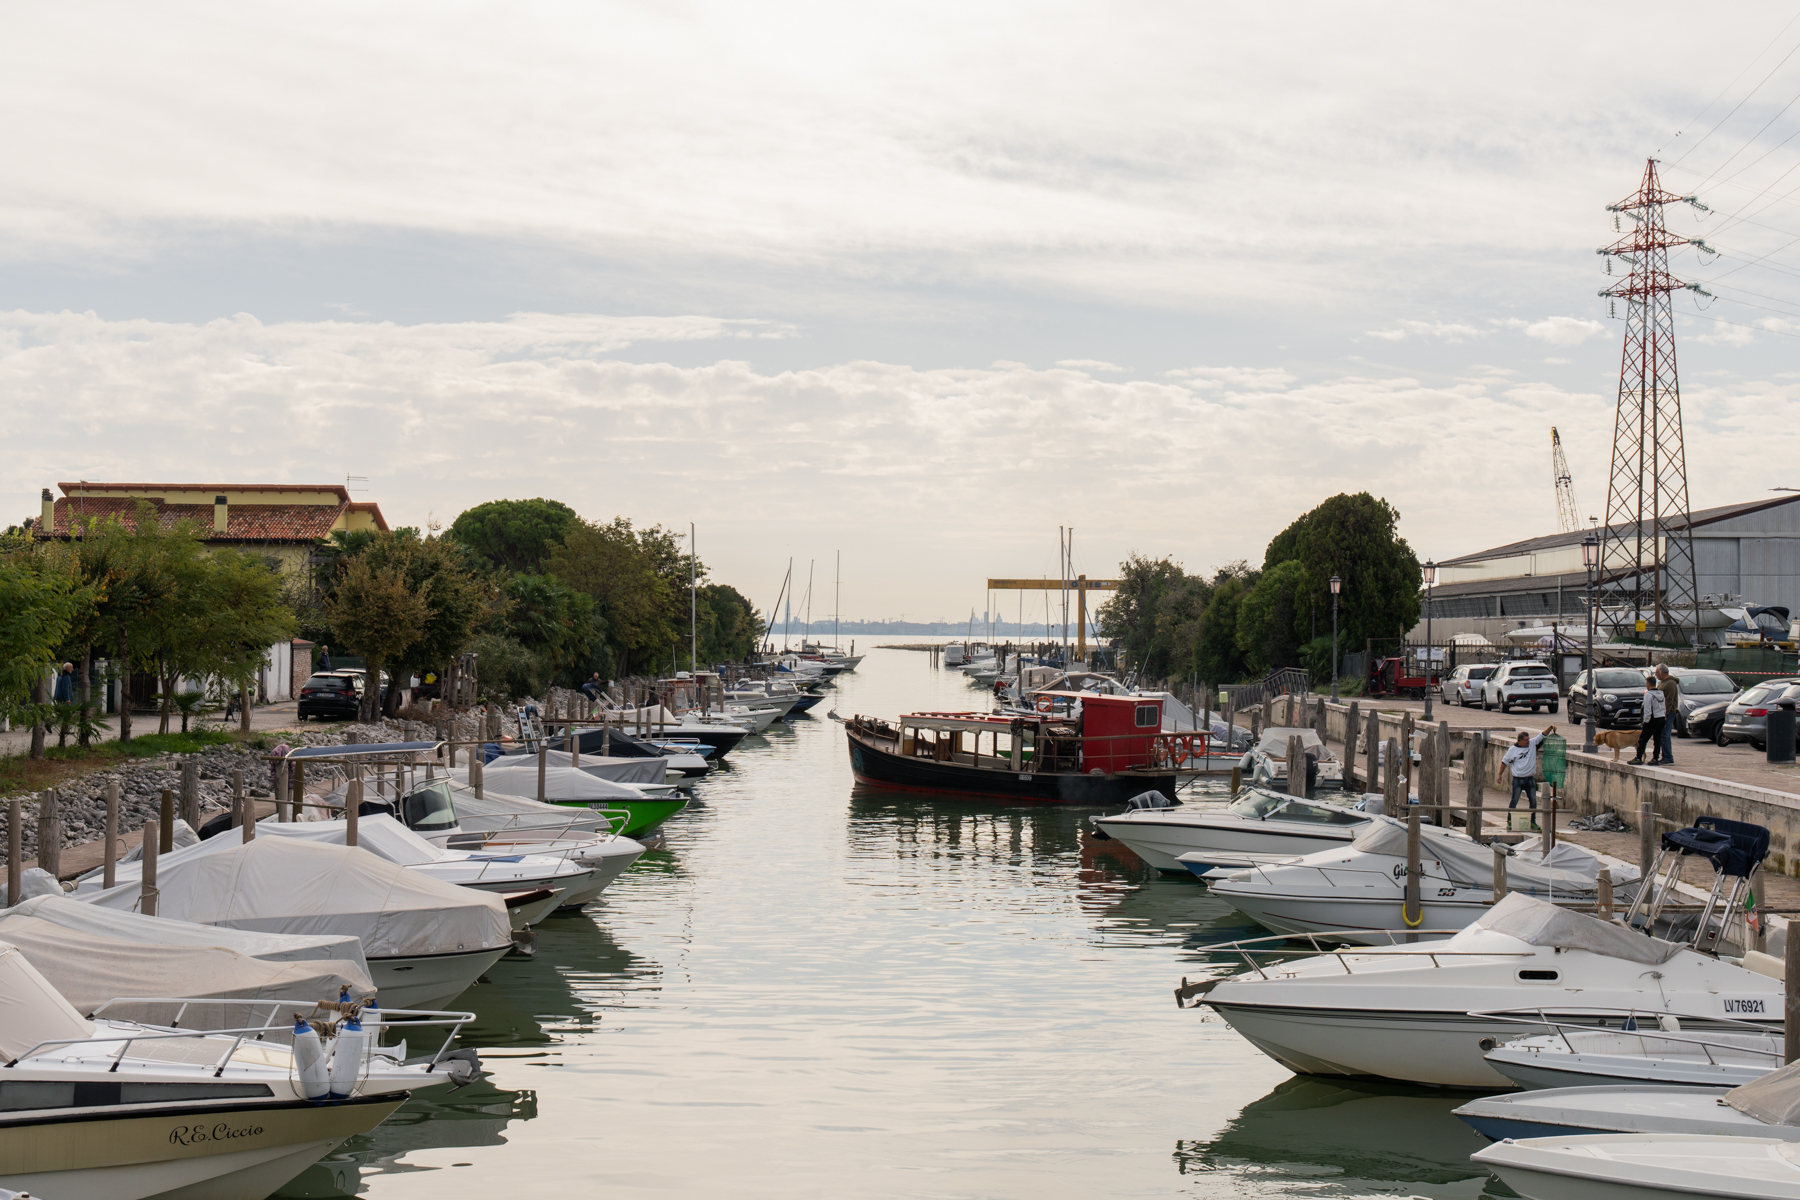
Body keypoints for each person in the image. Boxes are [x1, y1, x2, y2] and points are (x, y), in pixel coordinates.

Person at [1499, 724, 1556, 830]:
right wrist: (1499, 775)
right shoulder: (1513, 750)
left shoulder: (1532, 744)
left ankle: (1532, 821)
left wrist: (1551, 727)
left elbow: (1542, 734)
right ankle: (1510, 821)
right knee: (1514, 800)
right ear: (1520, 741)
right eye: (1526, 740)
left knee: (1533, 801)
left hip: (1530, 778)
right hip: (1518, 779)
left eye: (1528, 739)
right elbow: (1504, 762)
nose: (1528, 741)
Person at [1633, 675, 1666, 766]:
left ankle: (1638, 757)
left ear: (1648, 684)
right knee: (1657, 739)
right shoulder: (1661, 693)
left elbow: (1647, 709)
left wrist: (1645, 722)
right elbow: (1663, 707)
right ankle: (1655, 758)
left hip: (1652, 719)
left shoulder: (1648, 695)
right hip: (1661, 718)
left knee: (1643, 739)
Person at [1654, 665, 1679, 765]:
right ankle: (1664, 755)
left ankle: (1668, 757)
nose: (1655, 675)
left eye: (1656, 673)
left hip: (1668, 713)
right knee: (1661, 734)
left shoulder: (1670, 684)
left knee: (1665, 734)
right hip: (1661, 712)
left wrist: (1665, 714)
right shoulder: (1661, 683)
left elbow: (1669, 700)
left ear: (1662, 672)